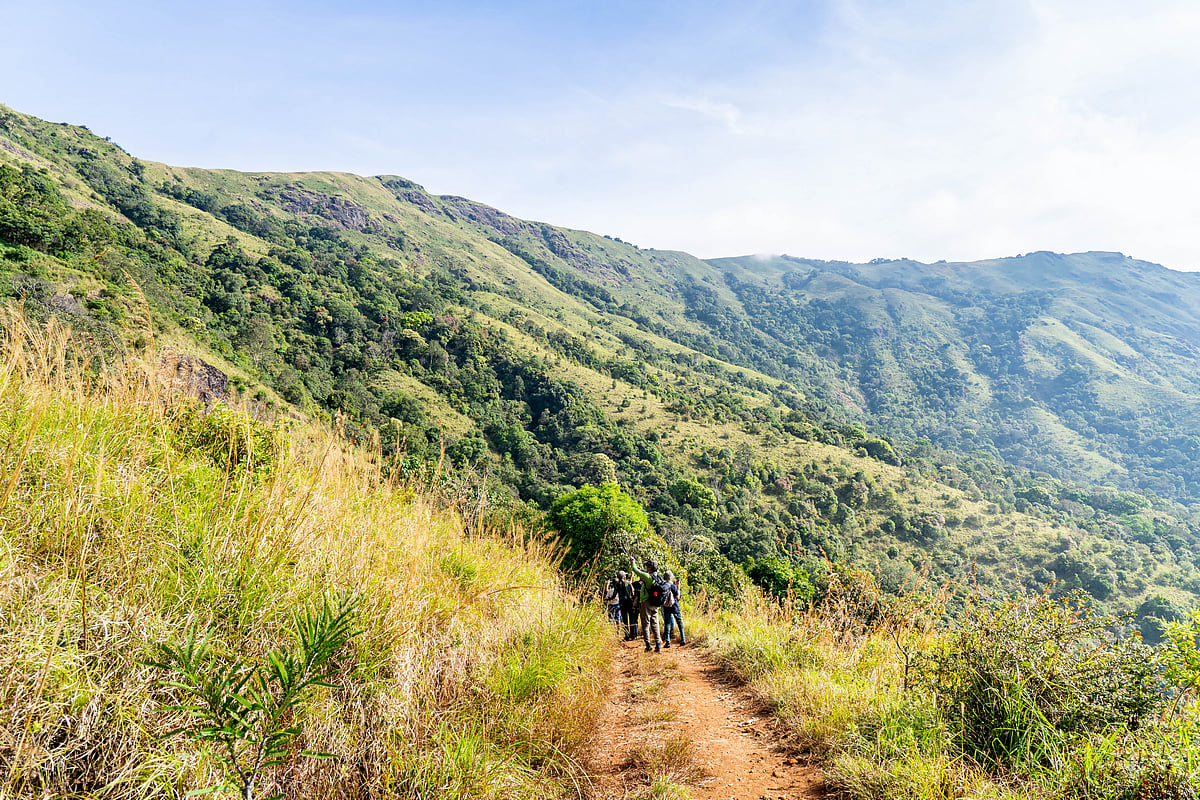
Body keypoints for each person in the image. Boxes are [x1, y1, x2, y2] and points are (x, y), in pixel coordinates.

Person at [629, 556, 663, 653]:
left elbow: (636, 571)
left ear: (650, 568)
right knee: (655, 624)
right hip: (655, 603)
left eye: (647, 566)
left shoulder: (648, 577)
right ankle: (658, 645)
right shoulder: (657, 576)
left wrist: (632, 562)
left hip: (646, 602)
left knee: (645, 624)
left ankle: (648, 646)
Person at [660, 570, 686, 648]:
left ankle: (668, 642)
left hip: (666, 607)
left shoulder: (663, 586)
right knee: (679, 623)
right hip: (674, 607)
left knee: (667, 624)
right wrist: (678, 588)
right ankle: (683, 639)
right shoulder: (673, 586)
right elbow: (677, 597)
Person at [617, 572, 638, 640]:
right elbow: (632, 592)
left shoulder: (617, 584)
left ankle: (626, 635)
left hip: (622, 603)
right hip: (629, 603)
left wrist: (609, 598)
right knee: (632, 619)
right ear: (624, 577)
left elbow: (615, 593)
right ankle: (633, 635)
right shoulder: (628, 583)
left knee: (624, 620)